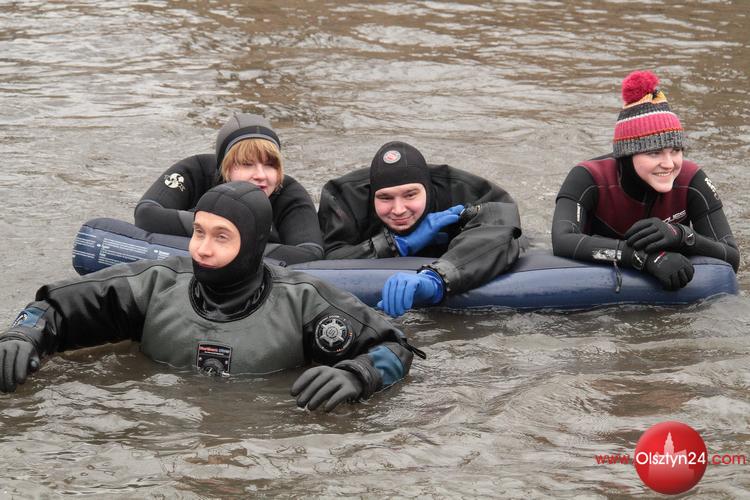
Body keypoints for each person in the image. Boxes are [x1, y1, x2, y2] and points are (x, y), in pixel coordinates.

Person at [0, 182, 421, 412]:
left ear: (253, 243)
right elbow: (59, 307)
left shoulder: (305, 302)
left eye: (221, 237)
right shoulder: (156, 285)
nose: (201, 249)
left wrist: (357, 375)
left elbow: (394, 347)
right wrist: (24, 334)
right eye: (198, 232)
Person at [552, 70, 739, 291]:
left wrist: (681, 236)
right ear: (627, 154)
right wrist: (643, 258)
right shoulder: (588, 177)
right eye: (654, 153)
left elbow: (731, 256)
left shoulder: (692, 180)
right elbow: (563, 241)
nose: (669, 164)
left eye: (676, 150)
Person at [318, 140, 523, 317]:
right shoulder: (347, 199)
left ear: (428, 189)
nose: (398, 209)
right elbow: (329, 259)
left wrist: (437, 278)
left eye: (410, 195)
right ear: (373, 196)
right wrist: (395, 245)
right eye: (385, 198)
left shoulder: (467, 192)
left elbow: (501, 235)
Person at [134, 113, 323, 265]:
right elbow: (146, 214)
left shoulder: (290, 194)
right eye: (247, 164)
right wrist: (220, 229)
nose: (261, 175)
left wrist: (233, 237)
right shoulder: (195, 171)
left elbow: (310, 254)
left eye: (270, 165)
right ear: (225, 167)